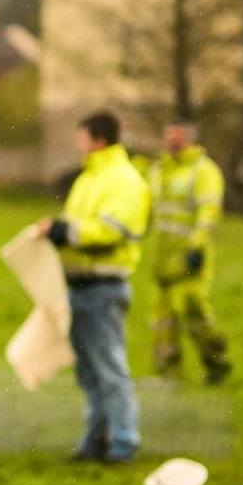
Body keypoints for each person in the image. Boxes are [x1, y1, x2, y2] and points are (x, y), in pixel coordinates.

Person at [28, 110, 150, 464]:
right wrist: (54, 230)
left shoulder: (125, 181)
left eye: (81, 137)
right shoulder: (89, 179)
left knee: (110, 370)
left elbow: (112, 230)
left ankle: (124, 442)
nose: (78, 145)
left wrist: (66, 233)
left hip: (104, 289)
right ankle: (96, 440)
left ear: (97, 139)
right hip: (77, 287)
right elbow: (77, 223)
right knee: (88, 372)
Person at [149, 118, 232, 384]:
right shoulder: (158, 170)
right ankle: (168, 376)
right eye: (168, 136)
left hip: (189, 260)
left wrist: (197, 245)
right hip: (163, 261)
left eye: (178, 137)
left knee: (195, 317)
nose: (172, 142)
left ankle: (217, 364)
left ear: (190, 139)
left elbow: (209, 211)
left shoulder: (203, 171)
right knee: (163, 323)